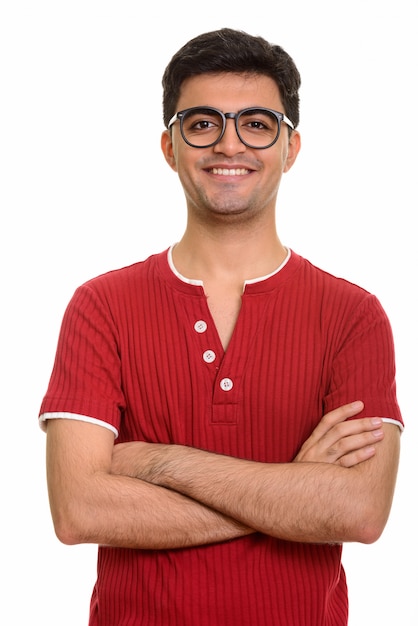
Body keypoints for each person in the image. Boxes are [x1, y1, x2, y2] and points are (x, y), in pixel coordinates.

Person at [39, 28, 403, 626]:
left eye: (257, 124)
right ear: (169, 146)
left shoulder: (353, 316)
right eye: (203, 123)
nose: (229, 143)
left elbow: (360, 511)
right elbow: (78, 510)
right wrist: (295, 493)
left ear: (291, 148)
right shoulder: (100, 305)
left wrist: (155, 464)